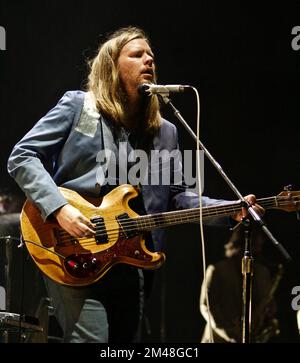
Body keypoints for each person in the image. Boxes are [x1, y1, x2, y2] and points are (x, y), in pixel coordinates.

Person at [7, 26, 263, 343]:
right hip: (71, 250)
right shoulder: (80, 107)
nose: (148, 60)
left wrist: (230, 210)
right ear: (111, 66)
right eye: (137, 54)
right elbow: (23, 156)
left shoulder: (165, 131)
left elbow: (178, 198)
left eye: (151, 56)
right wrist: (59, 210)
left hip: (133, 261)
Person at [200, 223, 281, 343]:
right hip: (218, 338)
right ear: (239, 245)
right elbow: (206, 306)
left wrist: (268, 312)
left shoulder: (262, 272)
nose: (257, 250)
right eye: (253, 246)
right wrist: (229, 333)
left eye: (259, 246)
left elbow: (267, 304)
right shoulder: (217, 270)